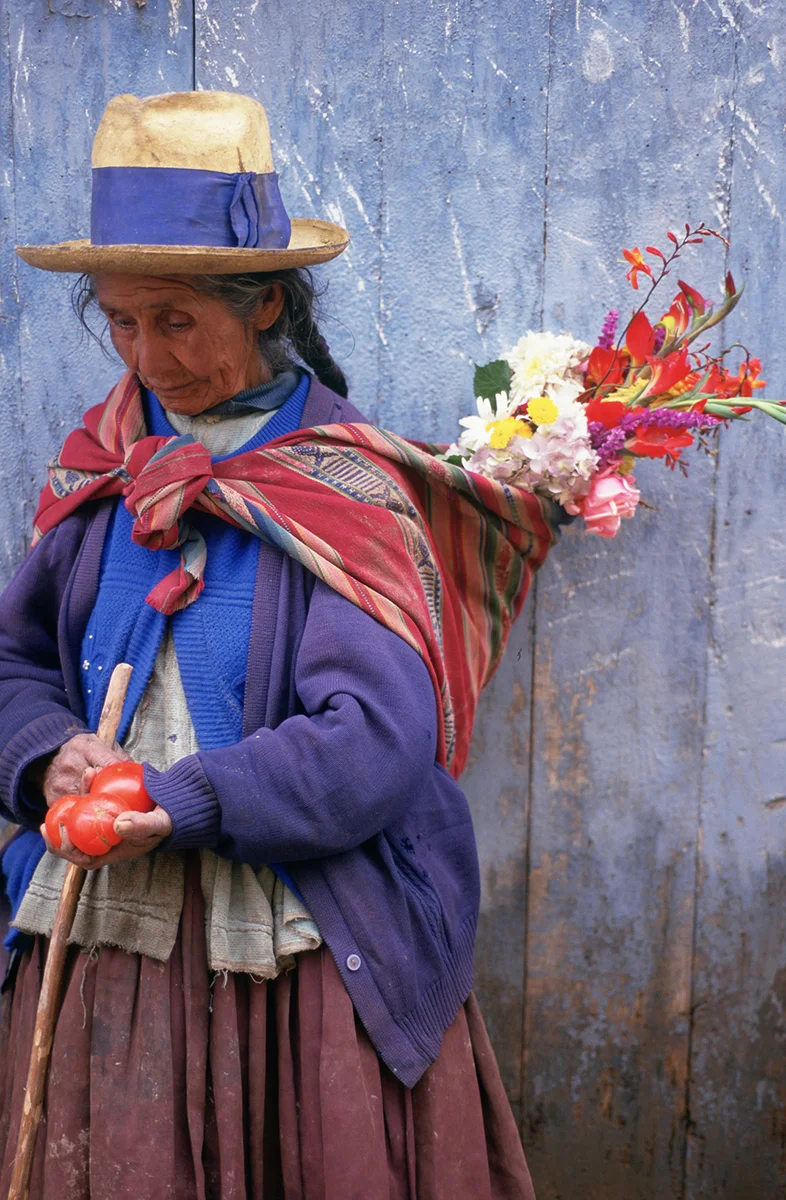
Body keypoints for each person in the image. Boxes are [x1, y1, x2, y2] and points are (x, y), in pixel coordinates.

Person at [0, 90, 559, 1199]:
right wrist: (45, 753)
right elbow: (15, 664)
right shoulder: (102, 469)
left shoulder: (344, 487)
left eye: (177, 320)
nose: (146, 356)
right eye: (121, 321)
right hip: (110, 929)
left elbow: (376, 741)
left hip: (298, 941)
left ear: (265, 306)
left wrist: (190, 801)